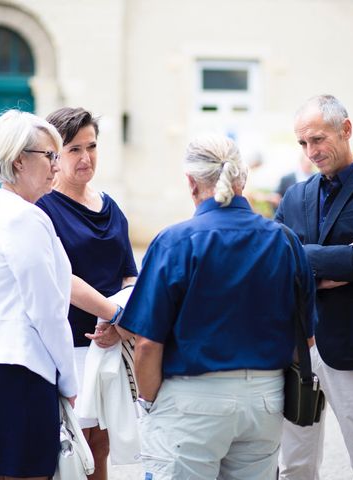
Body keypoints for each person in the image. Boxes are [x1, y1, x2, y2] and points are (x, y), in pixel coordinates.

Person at [116, 133, 317, 480]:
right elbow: (306, 338)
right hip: (265, 399)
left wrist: (148, 404)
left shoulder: (175, 241)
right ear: (243, 178)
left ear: (191, 183)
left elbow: (147, 343)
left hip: (192, 400)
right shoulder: (285, 241)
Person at [276, 94, 353, 479]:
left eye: (317, 139)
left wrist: (303, 257)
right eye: (302, 143)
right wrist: (337, 260)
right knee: (295, 465)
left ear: (346, 129)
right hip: (298, 349)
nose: (310, 151)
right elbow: (275, 260)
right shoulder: (297, 196)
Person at [0, 109, 78, 479]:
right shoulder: (23, 217)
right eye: (49, 155)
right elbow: (47, 310)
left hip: (2, 368)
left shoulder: (4, 209)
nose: (56, 165)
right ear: (19, 160)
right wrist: (69, 380)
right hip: (23, 372)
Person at [36, 107, 138, 480]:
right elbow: (64, 278)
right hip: (69, 347)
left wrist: (121, 324)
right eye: (74, 149)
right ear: (55, 156)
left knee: (101, 446)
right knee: (70, 450)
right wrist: (115, 315)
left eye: (91, 146)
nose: (85, 157)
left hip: (110, 348)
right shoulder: (43, 209)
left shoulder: (111, 207)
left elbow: (130, 275)